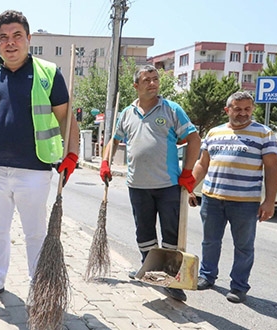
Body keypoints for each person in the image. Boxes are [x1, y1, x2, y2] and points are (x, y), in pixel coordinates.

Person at [0, 9, 80, 304]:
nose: (10, 43)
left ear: (28, 38)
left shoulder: (48, 73)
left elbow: (67, 121)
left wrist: (72, 154)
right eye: (3, 37)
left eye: (16, 36)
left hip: (33, 171)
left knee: (35, 233)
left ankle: (37, 285)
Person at [99, 64, 201, 302]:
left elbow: (194, 140)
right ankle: (149, 270)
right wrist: (106, 162)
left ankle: (172, 282)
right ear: (136, 85)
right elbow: (113, 142)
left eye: (155, 79)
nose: (153, 83)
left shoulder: (171, 110)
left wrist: (187, 173)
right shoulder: (126, 113)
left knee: (171, 235)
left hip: (167, 185)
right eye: (147, 80)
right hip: (138, 186)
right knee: (144, 233)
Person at [188, 91, 277, 304]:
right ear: (228, 110)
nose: (243, 113)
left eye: (247, 109)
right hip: (212, 198)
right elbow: (202, 164)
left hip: (245, 202)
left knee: (244, 246)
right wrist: (190, 187)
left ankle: (239, 286)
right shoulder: (214, 133)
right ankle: (207, 276)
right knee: (210, 241)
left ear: (253, 110)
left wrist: (269, 201)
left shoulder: (264, 134)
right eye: (237, 109)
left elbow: (272, 168)